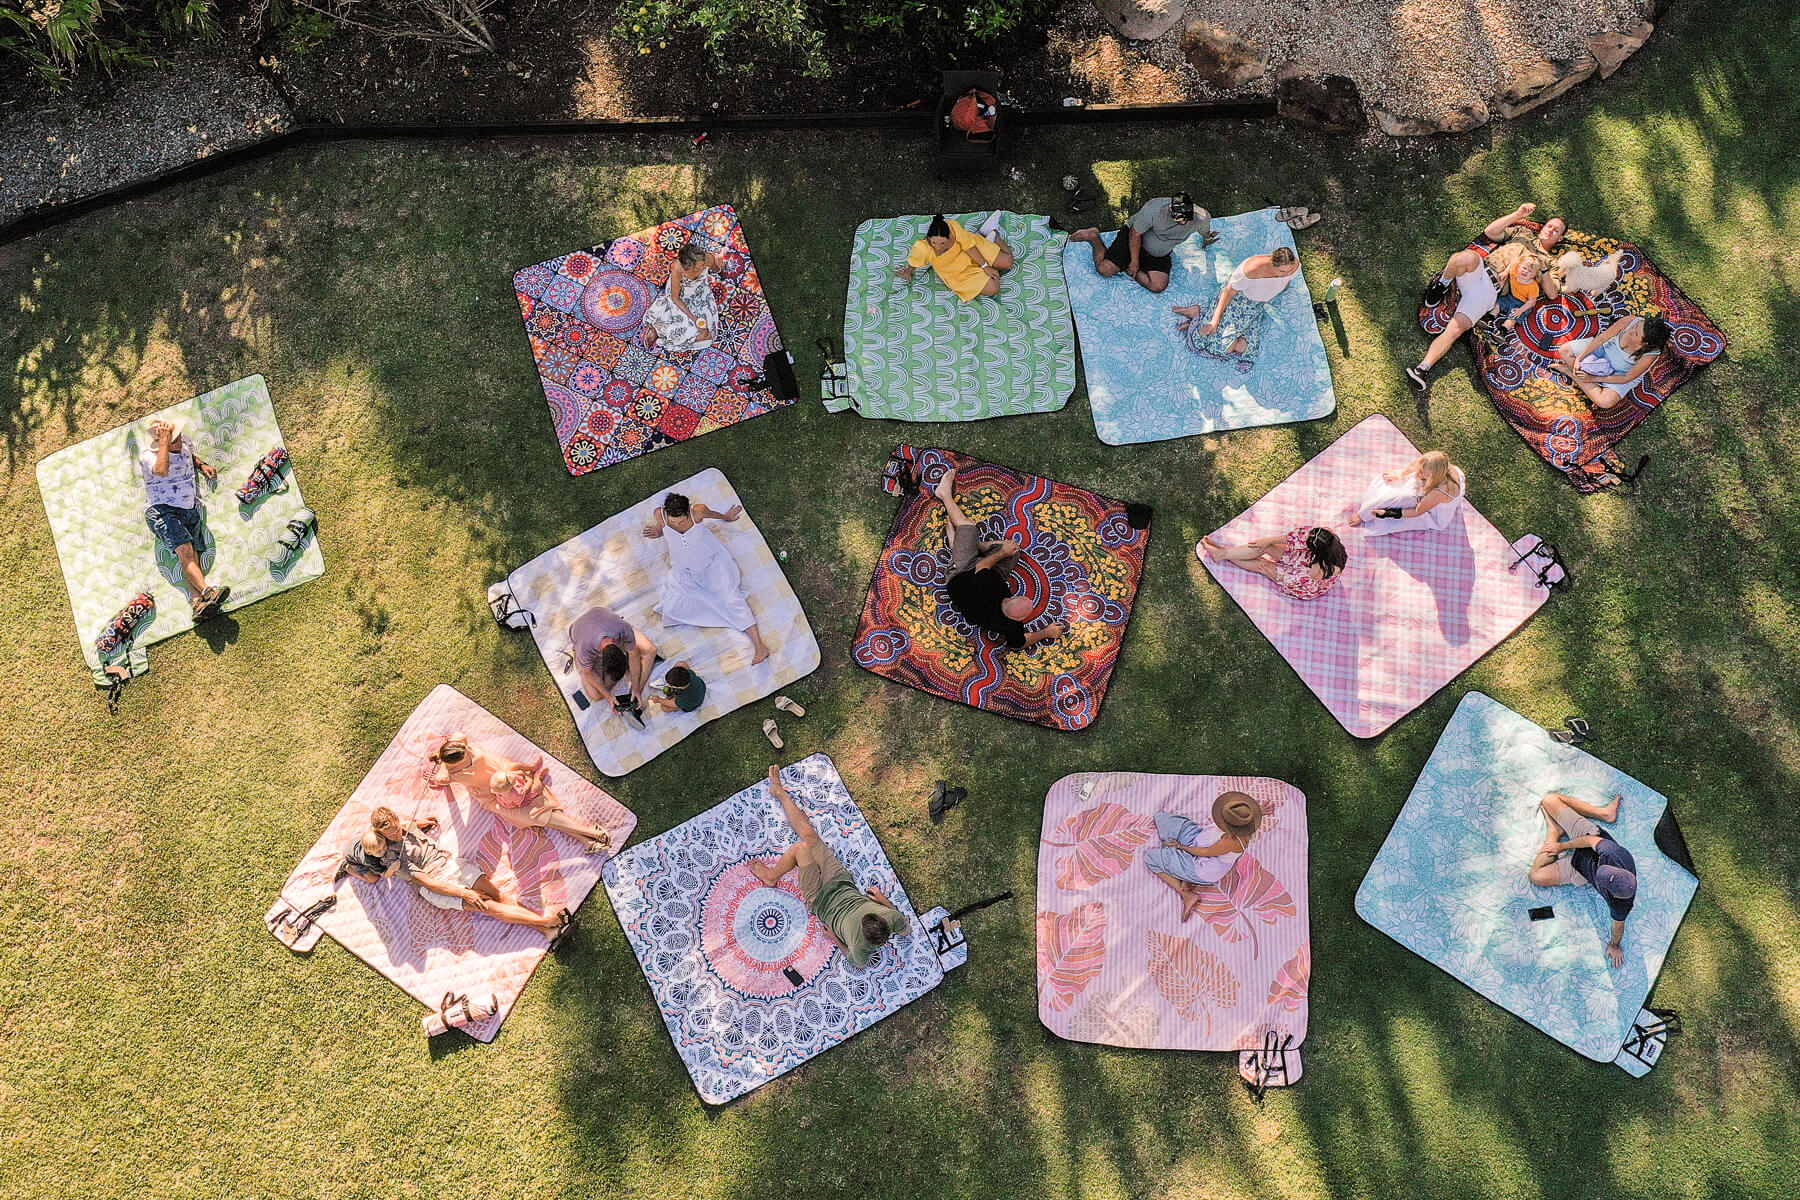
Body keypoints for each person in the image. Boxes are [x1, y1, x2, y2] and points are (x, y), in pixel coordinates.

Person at [748, 766, 910, 969]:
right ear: (880, 918)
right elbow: (906, 931)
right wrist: (881, 898)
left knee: (801, 849)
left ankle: (771, 877)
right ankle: (779, 792)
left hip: (820, 899)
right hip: (840, 881)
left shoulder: (861, 948)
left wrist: (833, 937)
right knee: (809, 837)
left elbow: (856, 963)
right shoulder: (891, 918)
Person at [342, 806, 572, 940]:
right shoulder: (390, 857)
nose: (395, 833)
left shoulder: (402, 825)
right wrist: (464, 894)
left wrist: (419, 824)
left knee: (498, 894)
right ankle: (548, 921)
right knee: (489, 906)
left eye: (395, 826)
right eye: (389, 832)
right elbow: (429, 883)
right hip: (438, 885)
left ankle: (546, 931)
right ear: (379, 833)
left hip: (451, 864)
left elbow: (409, 824)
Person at [1410, 203, 1566, 390]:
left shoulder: (1551, 263)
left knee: (1456, 329)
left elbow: (1552, 293)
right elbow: (1490, 232)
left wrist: (1544, 265)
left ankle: (1422, 369)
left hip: (1489, 292)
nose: (1551, 230)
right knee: (1466, 257)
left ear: (1560, 238)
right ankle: (1441, 285)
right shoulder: (1522, 233)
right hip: (1481, 270)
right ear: (1542, 227)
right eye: (1549, 225)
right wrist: (1518, 214)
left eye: (1556, 230)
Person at [929, 466, 1065, 651]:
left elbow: (983, 565)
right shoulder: (1012, 626)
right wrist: (1046, 633)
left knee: (970, 528)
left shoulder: (988, 587)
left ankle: (944, 495)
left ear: (1007, 601)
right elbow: (1018, 644)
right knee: (1014, 551)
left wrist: (1002, 554)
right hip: (983, 575)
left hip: (960, 574)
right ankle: (968, 545)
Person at [421, 732, 611, 852]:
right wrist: (441, 767)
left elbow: (458, 735)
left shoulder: (460, 742)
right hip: (493, 796)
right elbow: (438, 779)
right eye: (464, 756)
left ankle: (588, 836)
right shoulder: (450, 773)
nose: (468, 752)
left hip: (504, 773)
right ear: (454, 763)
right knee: (534, 813)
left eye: (466, 750)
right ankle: (588, 834)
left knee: (538, 803)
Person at [643, 492, 769, 665]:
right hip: (684, 569)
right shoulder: (660, 514)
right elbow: (661, 524)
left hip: (711, 564)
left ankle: (759, 645)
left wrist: (726, 516)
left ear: (688, 512)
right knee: (674, 607)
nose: (677, 524)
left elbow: (713, 514)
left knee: (731, 598)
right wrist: (660, 529)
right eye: (673, 522)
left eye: (681, 521)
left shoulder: (698, 512)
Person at [1528, 791, 1636, 969]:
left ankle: (1554, 832)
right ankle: (1605, 814)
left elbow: (1618, 927)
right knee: (1550, 800)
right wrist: (1561, 846)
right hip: (1586, 836)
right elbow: (1589, 840)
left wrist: (1614, 945)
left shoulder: (1621, 905)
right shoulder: (1614, 853)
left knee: (1536, 876)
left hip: (1580, 869)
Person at [137, 415, 230, 621]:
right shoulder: (148, 456)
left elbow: (189, 455)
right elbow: (161, 470)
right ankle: (208, 591)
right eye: (173, 439)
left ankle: (198, 604)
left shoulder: (182, 441)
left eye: (178, 435)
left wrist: (202, 465)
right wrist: (164, 442)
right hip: (163, 509)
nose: (178, 440)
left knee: (193, 556)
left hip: (189, 507)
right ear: (161, 442)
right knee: (185, 551)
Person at [1173, 246, 1301, 368]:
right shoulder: (1251, 270)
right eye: (1283, 271)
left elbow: (1286, 280)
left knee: (1230, 348)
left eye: (1290, 270)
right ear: (1272, 263)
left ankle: (1197, 317)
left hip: (1255, 308)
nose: (1287, 274)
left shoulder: (1294, 265)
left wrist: (1280, 286)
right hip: (1237, 302)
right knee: (1201, 340)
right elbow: (1228, 293)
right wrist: (1214, 322)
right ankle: (1197, 314)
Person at [1142, 791, 1263, 921]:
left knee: (1151, 858)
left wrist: (1181, 847)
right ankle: (1179, 868)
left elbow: (1206, 852)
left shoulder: (1231, 841)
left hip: (1202, 866)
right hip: (1198, 838)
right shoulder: (1246, 822)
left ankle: (1186, 893)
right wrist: (1259, 811)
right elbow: (1246, 815)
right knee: (1161, 818)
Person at [1069, 193, 1213, 294]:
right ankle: (1094, 236)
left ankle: (1126, 267)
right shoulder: (1154, 209)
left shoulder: (1201, 217)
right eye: (1180, 219)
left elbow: (1205, 231)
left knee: (1158, 286)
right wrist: (1134, 261)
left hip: (1158, 254)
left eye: (1186, 219)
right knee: (1105, 270)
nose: (1184, 223)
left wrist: (1207, 240)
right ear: (1171, 209)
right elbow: (1135, 233)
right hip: (1134, 242)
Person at [1549, 313, 1670, 410]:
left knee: (1605, 402)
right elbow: (1601, 338)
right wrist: (1579, 358)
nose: (1631, 330)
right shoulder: (1630, 321)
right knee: (1564, 351)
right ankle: (1590, 387)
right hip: (1603, 350)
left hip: (1619, 373)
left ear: (1645, 343)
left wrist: (1592, 378)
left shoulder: (1650, 355)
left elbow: (1626, 377)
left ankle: (1572, 374)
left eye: (1636, 334)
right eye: (1636, 326)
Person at [1199, 526, 1347, 601]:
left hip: (1303, 583)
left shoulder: (1322, 569)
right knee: (1266, 547)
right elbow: (1296, 537)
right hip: (1304, 559)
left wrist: (1273, 574)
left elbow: (1299, 581)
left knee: (1262, 565)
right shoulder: (1325, 535)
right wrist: (1270, 541)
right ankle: (1222, 553)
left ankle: (1222, 553)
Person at [569, 605, 658, 728]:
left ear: (621, 649)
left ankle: (635, 695)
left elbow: (634, 655)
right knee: (595, 693)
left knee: (651, 650)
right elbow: (589, 673)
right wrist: (609, 696)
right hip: (580, 632)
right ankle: (582, 664)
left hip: (609, 622)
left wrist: (637, 686)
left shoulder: (623, 629)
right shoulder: (585, 650)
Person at [896, 214, 1014, 302]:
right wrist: (908, 272)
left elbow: (969, 247)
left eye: (942, 243)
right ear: (928, 238)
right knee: (993, 288)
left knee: (1008, 262)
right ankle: (990, 246)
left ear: (949, 236)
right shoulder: (923, 248)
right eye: (934, 243)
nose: (937, 247)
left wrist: (985, 266)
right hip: (957, 273)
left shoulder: (952, 226)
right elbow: (914, 262)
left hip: (971, 252)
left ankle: (993, 233)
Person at [1347, 450, 1466, 534]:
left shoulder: (1438, 492)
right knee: (1402, 492)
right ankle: (1366, 513)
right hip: (1435, 488)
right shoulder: (1440, 463)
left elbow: (1417, 511)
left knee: (1403, 497)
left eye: (1423, 472)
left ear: (1434, 475)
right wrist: (1401, 474)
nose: (1418, 473)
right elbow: (1417, 464)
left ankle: (1364, 515)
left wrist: (1388, 513)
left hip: (1434, 508)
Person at [642, 243, 722, 353]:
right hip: (681, 294)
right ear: (687, 268)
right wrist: (694, 319)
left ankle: (663, 332)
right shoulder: (678, 269)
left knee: (708, 334)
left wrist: (719, 268)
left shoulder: (706, 258)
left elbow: (716, 268)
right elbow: (675, 298)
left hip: (700, 292)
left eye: (703, 265)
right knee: (673, 313)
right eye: (699, 267)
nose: (703, 267)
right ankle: (656, 328)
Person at [1490, 243, 1549, 332]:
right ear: (1519, 267)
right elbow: (1512, 264)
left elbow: (1532, 302)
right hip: (1510, 297)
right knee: (1498, 303)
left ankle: (1503, 330)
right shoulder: (1514, 272)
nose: (1526, 271)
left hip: (1522, 304)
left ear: (1534, 275)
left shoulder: (1533, 286)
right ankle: (1490, 318)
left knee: (1513, 316)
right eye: (1524, 268)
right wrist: (1505, 272)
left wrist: (1521, 310)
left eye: (1530, 271)